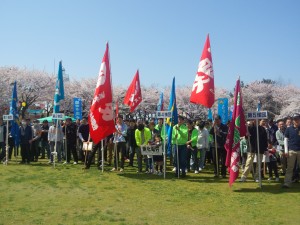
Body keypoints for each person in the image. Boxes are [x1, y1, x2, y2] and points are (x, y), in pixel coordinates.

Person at [282, 113, 300, 188]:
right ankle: (287, 183)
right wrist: (286, 150)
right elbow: (285, 139)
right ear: (293, 120)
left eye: (298, 119)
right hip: (291, 150)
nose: (296, 120)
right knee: (290, 167)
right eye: (295, 119)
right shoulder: (289, 129)